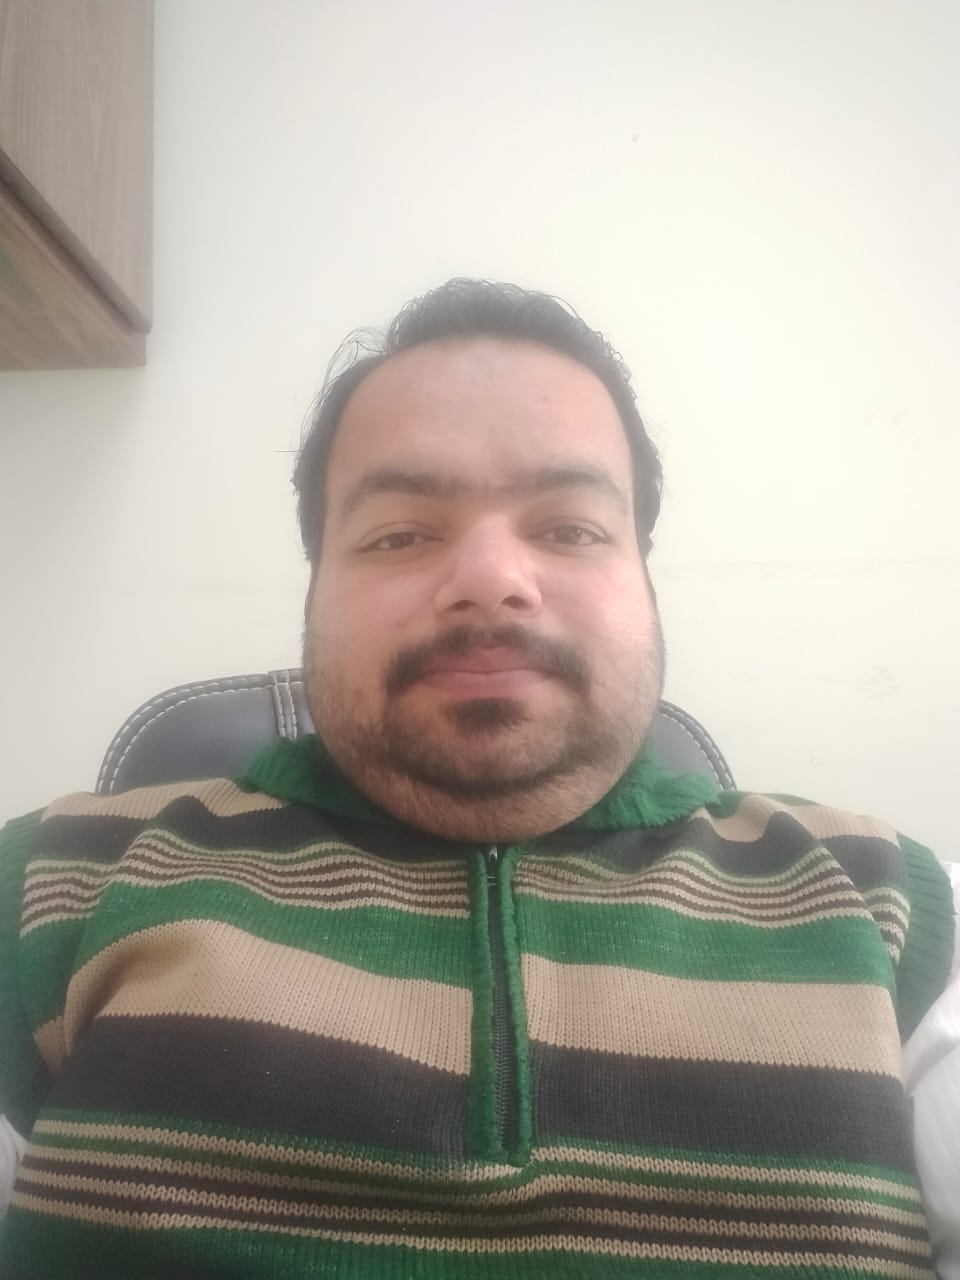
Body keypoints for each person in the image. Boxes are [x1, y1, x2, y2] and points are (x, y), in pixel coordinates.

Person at [0, 279, 956, 1279]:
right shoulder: (52, 885)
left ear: (644, 576)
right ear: (317, 585)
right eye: (400, 534)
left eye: (572, 527)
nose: (492, 578)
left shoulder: (891, 901)